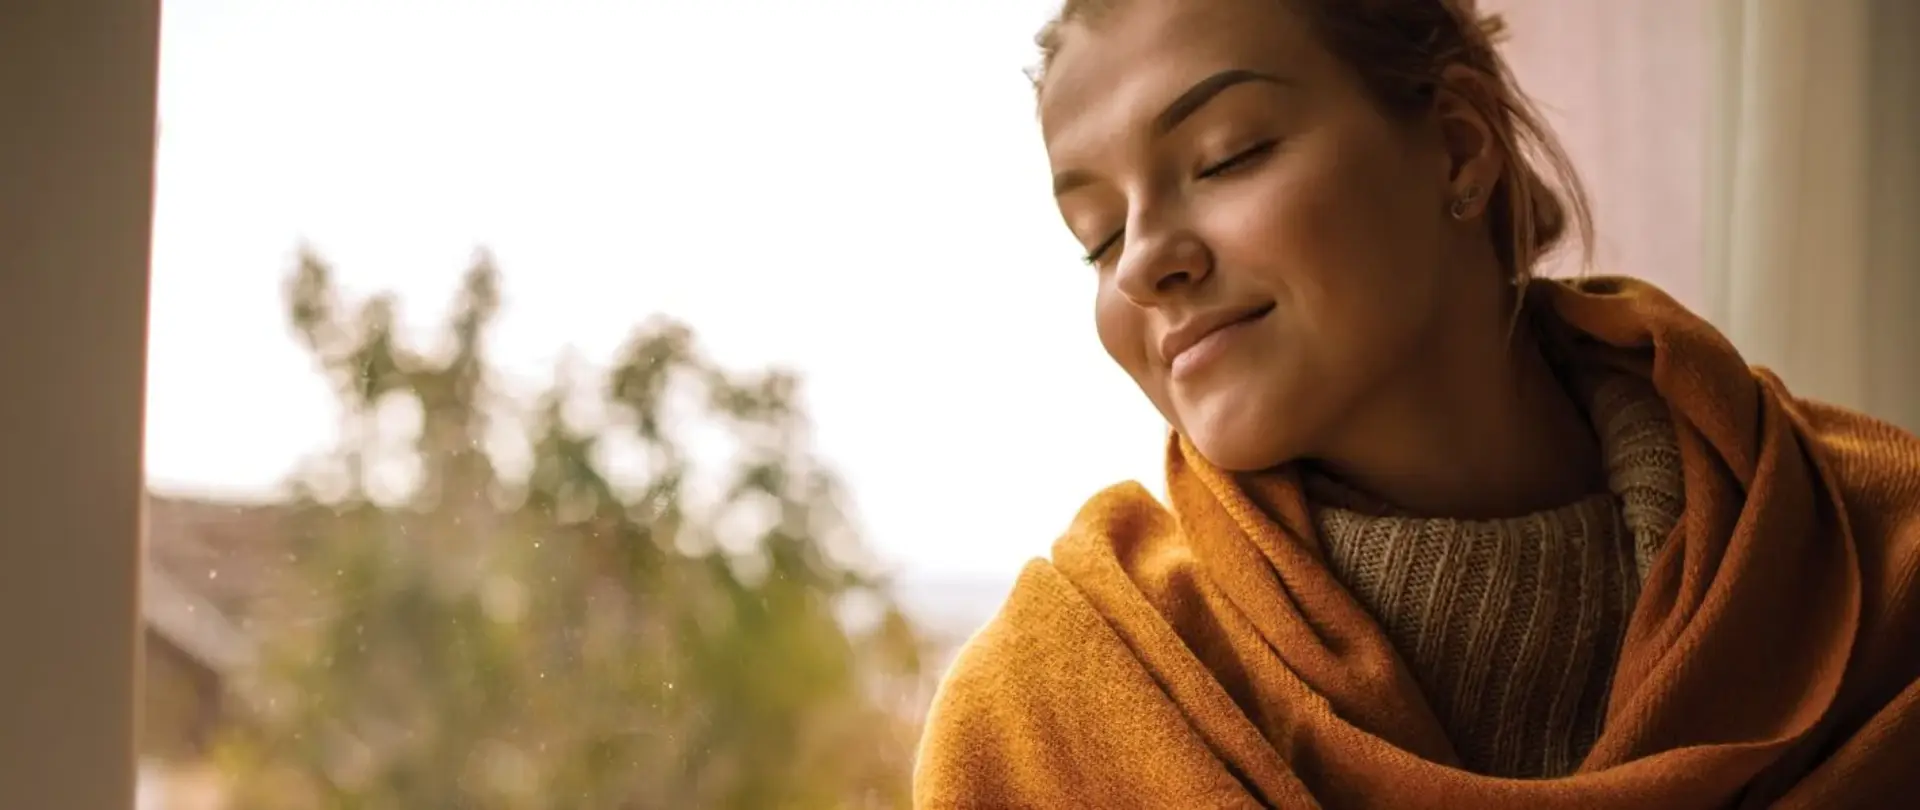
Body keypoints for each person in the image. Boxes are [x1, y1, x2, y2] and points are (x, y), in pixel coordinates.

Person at [912, 0, 1920, 807]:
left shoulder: (1889, 569)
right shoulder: (1049, 715)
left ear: (1458, 146)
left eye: (1225, 156)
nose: (1141, 265)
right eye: (1096, 234)